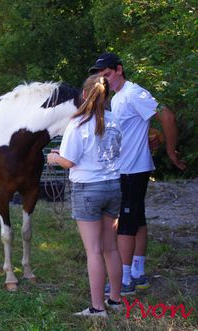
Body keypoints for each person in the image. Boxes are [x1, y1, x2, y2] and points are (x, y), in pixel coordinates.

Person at [88, 53, 187, 294]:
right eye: (101, 77)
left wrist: (170, 151)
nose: (105, 81)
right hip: (127, 167)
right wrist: (151, 134)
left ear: (119, 70)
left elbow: (167, 115)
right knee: (137, 220)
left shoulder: (133, 92)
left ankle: (124, 280)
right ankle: (138, 272)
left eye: (108, 75)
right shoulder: (119, 97)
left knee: (124, 225)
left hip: (133, 169)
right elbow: (139, 124)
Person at [47, 74, 123, 318]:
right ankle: (116, 300)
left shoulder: (77, 124)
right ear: (107, 95)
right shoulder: (113, 120)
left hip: (88, 189)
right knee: (111, 248)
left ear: (83, 95)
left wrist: (54, 157)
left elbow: (69, 161)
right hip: (112, 185)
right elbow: (110, 150)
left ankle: (97, 308)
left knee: (93, 251)